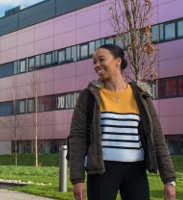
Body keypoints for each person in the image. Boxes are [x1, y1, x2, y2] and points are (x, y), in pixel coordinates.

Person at [68, 44, 177, 200]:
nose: (97, 65)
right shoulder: (89, 96)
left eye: (101, 60)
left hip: (136, 172)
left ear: (118, 61)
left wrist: (169, 180)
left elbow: (157, 138)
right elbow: (77, 138)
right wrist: (77, 179)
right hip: (101, 171)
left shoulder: (141, 96)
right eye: (94, 62)